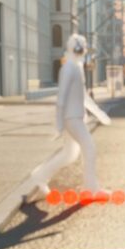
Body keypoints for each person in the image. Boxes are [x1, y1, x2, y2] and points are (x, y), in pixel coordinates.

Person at [34, 34, 111, 199]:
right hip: (72, 118)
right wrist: (59, 123)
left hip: (75, 117)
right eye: (82, 46)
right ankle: (91, 189)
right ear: (76, 49)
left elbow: (83, 96)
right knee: (89, 148)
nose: (84, 50)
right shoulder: (69, 68)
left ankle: (40, 176)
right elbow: (61, 98)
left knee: (69, 154)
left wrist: (99, 114)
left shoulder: (76, 67)